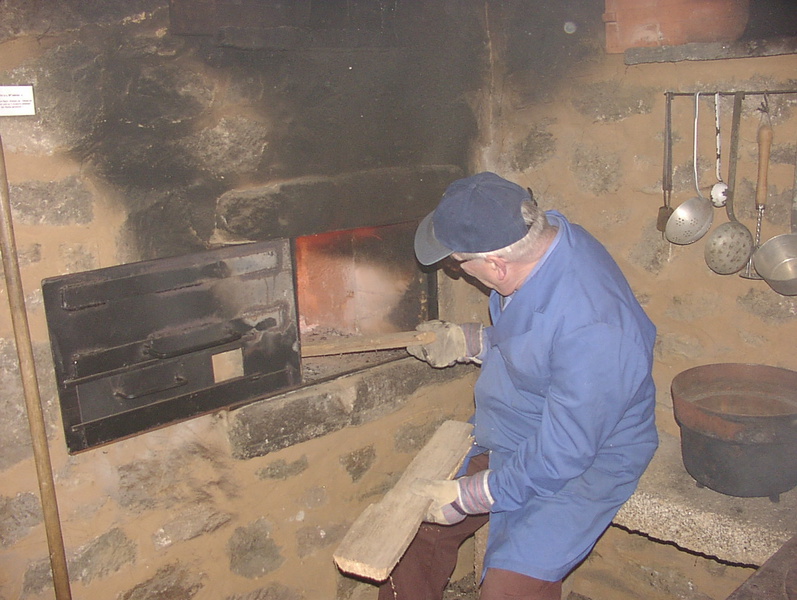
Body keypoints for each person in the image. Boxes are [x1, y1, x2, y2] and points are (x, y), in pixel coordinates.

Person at [379, 172, 658, 600]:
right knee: (412, 531)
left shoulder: (597, 329)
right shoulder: (546, 241)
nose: (457, 270)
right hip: (515, 421)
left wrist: (472, 495)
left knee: (508, 589)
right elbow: (541, 340)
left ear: (496, 264)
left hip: (586, 457)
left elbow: (562, 453)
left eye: (458, 263)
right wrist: (471, 341)